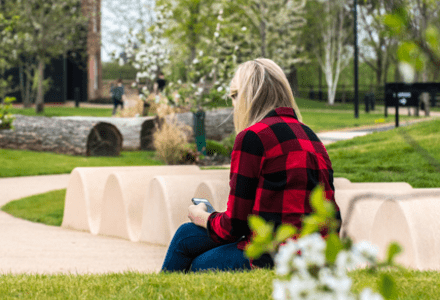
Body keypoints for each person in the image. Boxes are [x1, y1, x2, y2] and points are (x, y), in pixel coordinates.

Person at [161, 58, 340, 273]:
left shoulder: (253, 137)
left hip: (274, 253)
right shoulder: (311, 137)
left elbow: (234, 226)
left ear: (249, 97)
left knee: (196, 257)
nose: (234, 104)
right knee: (187, 236)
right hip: (317, 251)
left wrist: (203, 217)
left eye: (235, 96)